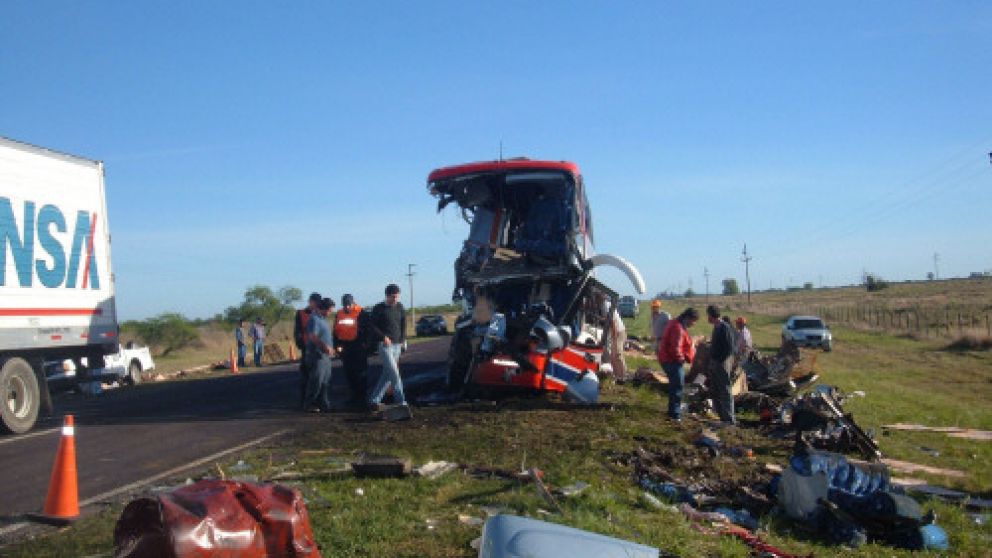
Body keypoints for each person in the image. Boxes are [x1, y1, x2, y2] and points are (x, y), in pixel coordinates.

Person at [368, 283, 408, 413]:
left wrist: (403, 339)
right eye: (393, 297)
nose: (396, 299)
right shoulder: (378, 308)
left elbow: (403, 323)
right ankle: (401, 401)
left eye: (397, 296)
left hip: (397, 345)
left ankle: (374, 400)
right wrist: (383, 337)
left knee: (387, 375)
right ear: (387, 296)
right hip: (385, 346)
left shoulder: (400, 307)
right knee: (394, 374)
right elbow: (372, 326)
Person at [658, 307, 699, 422]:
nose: (694, 324)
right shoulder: (678, 328)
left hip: (667, 359)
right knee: (677, 387)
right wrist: (681, 360)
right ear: (688, 318)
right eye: (694, 321)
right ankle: (675, 415)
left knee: (674, 386)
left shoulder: (676, 323)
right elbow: (675, 349)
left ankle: (672, 411)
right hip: (672, 361)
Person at [334, 293, 368, 409]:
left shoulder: (361, 313)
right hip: (345, 347)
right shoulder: (339, 314)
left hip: (358, 347)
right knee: (349, 373)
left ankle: (362, 398)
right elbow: (336, 331)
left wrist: (366, 345)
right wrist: (337, 346)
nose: (347, 307)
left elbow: (368, 330)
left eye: (349, 304)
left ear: (353, 303)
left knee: (361, 374)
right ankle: (353, 397)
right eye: (345, 305)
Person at [303, 298, 335, 412]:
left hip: (325, 356)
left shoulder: (323, 320)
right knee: (316, 380)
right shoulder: (314, 319)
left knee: (326, 380)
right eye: (330, 310)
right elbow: (313, 336)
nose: (330, 313)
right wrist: (325, 347)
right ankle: (309, 404)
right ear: (324, 309)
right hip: (316, 355)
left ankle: (324, 403)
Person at [707, 305, 736, 425]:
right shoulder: (716, 327)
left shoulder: (725, 327)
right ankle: (722, 417)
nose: (707, 318)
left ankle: (729, 419)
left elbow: (729, 348)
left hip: (723, 362)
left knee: (725, 390)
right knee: (716, 390)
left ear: (711, 315)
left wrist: (719, 361)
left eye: (708, 315)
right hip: (715, 362)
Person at [294, 292, 322, 407]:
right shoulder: (300, 313)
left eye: (317, 303)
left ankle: (317, 400)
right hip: (307, 348)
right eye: (314, 302)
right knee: (306, 375)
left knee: (318, 376)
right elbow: (298, 331)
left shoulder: (320, 314)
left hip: (318, 348)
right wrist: (301, 344)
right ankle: (304, 400)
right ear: (310, 302)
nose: (315, 305)